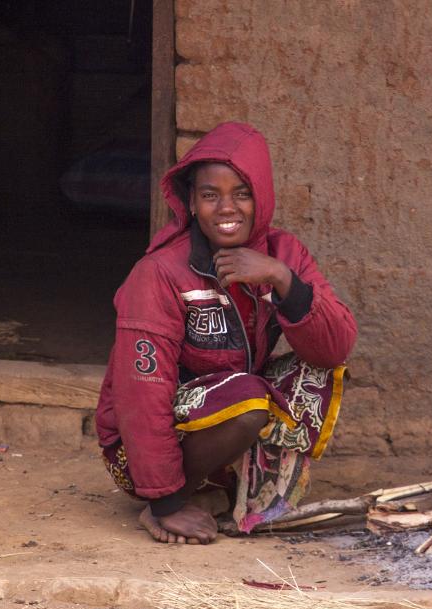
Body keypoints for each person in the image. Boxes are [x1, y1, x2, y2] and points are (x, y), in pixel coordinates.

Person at [95, 122, 357, 544]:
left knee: (318, 371)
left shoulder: (283, 253)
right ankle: (176, 496)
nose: (227, 208)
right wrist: (164, 501)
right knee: (250, 399)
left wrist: (282, 279)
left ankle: (233, 486)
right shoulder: (160, 273)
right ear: (192, 204)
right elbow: (140, 392)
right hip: (139, 449)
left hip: (219, 412)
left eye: (242, 193)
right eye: (210, 195)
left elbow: (336, 345)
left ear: (263, 197)